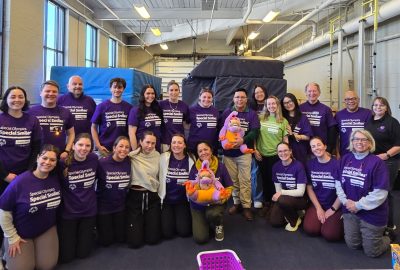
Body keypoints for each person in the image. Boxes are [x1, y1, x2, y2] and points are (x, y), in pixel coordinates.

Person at [0, 144, 61, 270]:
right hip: (21, 233)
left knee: (47, 265)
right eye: (44, 158)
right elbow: (4, 212)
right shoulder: (20, 182)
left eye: (52, 160)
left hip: (45, 228)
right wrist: (12, 237)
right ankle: (4, 254)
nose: (47, 162)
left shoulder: (56, 179)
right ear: (38, 158)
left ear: (56, 163)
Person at [336, 129, 391, 257]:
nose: (359, 142)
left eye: (363, 139)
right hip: (350, 209)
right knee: (353, 245)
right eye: (356, 139)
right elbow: (338, 183)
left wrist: (358, 205)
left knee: (372, 252)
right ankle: (370, 236)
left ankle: (387, 237)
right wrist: (345, 202)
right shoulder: (345, 159)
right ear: (352, 142)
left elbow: (380, 193)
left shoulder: (377, 163)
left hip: (372, 212)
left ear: (370, 143)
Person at [58, 133, 99, 263]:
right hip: (69, 212)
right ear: (73, 146)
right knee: (67, 256)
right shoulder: (63, 163)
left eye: (88, 145)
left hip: (89, 211)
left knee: (83, 254)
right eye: (80, 145)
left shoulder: (93, 159)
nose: (84, 148)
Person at [223, 88, 260, 221]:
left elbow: (255, 131)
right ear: (233, 99)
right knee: (233, 181)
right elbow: (222, 130)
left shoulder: (252, 114)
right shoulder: (227, 113)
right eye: (237, 97)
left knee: (245, 180)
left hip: (244, 153)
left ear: (246, 99)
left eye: (242, 97)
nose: (240, 99)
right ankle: (236, 203)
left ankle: (246, 207)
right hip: (228, 154)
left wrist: (242, 140)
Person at [365, 97, 400, 231]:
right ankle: (375, 220)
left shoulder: (392, 122)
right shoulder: (369, 122)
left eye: (381, 105)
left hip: (388, 162)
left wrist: (385, 155)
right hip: (372, 161)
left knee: (385, 192)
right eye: (375, 105)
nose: (378, 107)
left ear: (386, 107)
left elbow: (398, 144)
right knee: (372, 191)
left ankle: (389, 224)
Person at [188, 141, 233, 243]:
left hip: (216, 204)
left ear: (211, 150)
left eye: (206, 149)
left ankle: (218, 224)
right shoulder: (195, 168)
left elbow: (229, 186)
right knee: (201, 238)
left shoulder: (221, 166)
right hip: (198, 204)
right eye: (200, 151)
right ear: (197, 154)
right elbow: (191, 188)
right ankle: (205, 221)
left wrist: (222, 199)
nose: (203, 153)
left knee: (213, 214)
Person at [0, 86, 42, 190]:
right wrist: (4, 175)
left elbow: (36, 148)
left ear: (25, 100)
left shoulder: (32, 120)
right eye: (13, 97)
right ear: (6, 100)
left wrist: (28, 171)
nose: (17, 100)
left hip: (24, 173)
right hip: (2, 173)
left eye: (21, 97)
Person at [303, 137, 343, 241]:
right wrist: (318, 208)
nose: (316, 148)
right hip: (318, 203)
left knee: (330, 235)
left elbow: (343, 191)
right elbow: (309, 187)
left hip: (336, 205)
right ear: (311, 150)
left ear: (325, 146)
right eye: (313, 146)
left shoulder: (337, 165)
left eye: (319, 144)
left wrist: (333, 209)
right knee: (311, 230)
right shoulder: (310, 164)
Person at [126, 131, 161, 248]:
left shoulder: (158, 156)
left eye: (153, 143)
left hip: (152, 196)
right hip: (135, 197)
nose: (150, 146)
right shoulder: (132, 156)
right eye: (147, 142)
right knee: (134, 243)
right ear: (140, 142)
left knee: (152, 240)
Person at [254, 95, 288, 213]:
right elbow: (255, 135)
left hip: (276, 155)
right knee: (264, 180)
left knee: (275, 181)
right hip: (261, 154)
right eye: (269, 104)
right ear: (266, 106)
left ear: (278, 105)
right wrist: (255, 150)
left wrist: (286, 154)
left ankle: (275, 205)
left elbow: (285, 140)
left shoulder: (283, 121)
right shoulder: (260, 118)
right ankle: (267, 204)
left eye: (274, 103)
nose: (271, 106)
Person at [96, 136, 131, 246]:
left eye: (127, 147)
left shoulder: (129, 162)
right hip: (104, 207)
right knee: (106, 241)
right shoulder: (102, 163)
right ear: (114, 148)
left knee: (121, 239)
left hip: (120, 207)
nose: (124, 149)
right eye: (121, 146)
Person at [159, 134, 194, 239]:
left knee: (184, 232)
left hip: (182, 201)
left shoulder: (191, 159)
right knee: (167, 234)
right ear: (170, 145)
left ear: (184, 145)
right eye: (174, 142)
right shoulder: (163, 157)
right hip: (167, 201)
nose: (176, 145)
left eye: (180, 142)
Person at [29, 80, 75, 160]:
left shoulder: (65, 112)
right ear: (41, 93)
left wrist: (67, 151)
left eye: (54, 92)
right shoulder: (31, 112)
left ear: (58, 94)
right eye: (47, 91)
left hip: (59, 156)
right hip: (37, 157)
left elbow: (71, 133)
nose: (51, 94)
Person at [269, 142, 308, 232]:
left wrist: (281, 193)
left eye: (285, 150)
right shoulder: (276, 166)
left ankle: (295, 219)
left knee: (283, 200)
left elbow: (300, 192)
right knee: (275, 222)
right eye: (280, 151)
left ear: (290, 151)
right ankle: (292, 212)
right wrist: (280, 194)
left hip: (300, 199)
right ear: (277, 153)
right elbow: (278, 189)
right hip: (284, 199)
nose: (283, 153)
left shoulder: (298, 166)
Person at [91, 77, 132, 157]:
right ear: (110, 88)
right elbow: (93, 127)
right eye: (114, 87)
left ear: (123, 89)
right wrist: (98, 145)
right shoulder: (101, 107)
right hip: (105, 149)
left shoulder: (129, 108)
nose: (117, 90)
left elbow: (131, 130)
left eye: (119, 87)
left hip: (122, 149)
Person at [299, 82, 337, 153]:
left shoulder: (326, 109)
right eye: (309, 91)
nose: (312, 93)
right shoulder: (300, 109)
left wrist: (329, 148)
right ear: (306, 93)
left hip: (320, 149)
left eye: (314, 91)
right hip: (303, 148)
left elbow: (332, 130)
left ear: (319, 93)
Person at [335, 90, 371, 157]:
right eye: (348, 99)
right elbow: (336, 136)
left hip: (363, 154)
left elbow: (370, 135)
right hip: (345, 154)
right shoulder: (338, 115)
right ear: (344, 101)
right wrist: (337, 152)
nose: (351, 101)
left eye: (354, 98)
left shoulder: (367, 113)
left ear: (358, 100)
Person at [128, 84, 163, 152]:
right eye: (148, 93)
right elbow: (131, 133)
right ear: (143, 95)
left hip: (156, 148)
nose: (150, 96)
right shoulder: (135, 110)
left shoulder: (158, 109)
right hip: (141, 149)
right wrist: (135, 151)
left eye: (153, 93)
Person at [281, 93, 313, 166]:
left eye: (290, 101)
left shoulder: (303, 118)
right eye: (285, 103)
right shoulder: (282, 118)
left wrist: (293, 135)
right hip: (285, 153)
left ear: (294, 101)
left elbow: (307, 136)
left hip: (300, 152)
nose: (288, 104)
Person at [249, 85, 267, 211]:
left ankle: (269, 200)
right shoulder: (251, 109)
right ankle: (257, 198)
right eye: (256, 92)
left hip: (270, 145)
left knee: (268, 173)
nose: (259, 94)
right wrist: (255, 148)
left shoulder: (271, 105)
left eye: (261, 92)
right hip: (256, 145)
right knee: (255, 173)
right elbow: (253, 129)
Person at [159, 80, 190, 152]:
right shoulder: (161, 104)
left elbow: (186, 125)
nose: (174, 92)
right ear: (167, 92)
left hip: (178, 142)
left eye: (176, 90)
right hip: (165, 141)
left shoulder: (184, 106)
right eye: (171, 90)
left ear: (179, 91)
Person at [187, 87, 220, 154]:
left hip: (211, 147)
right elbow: (186, 124)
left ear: (212, 98)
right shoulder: (191, 110)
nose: (206, 99)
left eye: (209, 97)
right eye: (204, 97)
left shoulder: (215, 111)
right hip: (194, 147)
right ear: (199, 97)